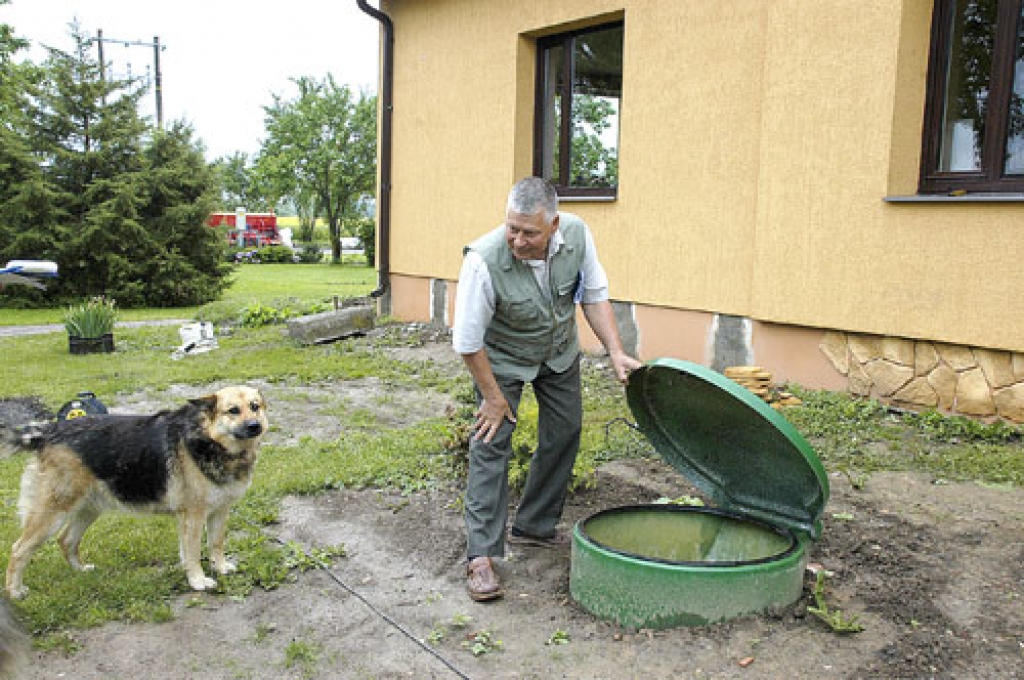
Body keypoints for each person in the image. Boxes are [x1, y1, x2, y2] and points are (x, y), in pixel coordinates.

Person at [452, 177, 642, 602]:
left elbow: (593, 294)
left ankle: (534, 526)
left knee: (565, 431)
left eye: (530, 232)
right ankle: (480, 555)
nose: (518, 240)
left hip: (556, 351)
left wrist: (614, 350)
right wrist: (494, 398)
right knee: (491, 441)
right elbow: (467, 342)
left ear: (554, 224)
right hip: (499, 358)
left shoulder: (577, 234)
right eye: (512, 228)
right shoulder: (483, 260)